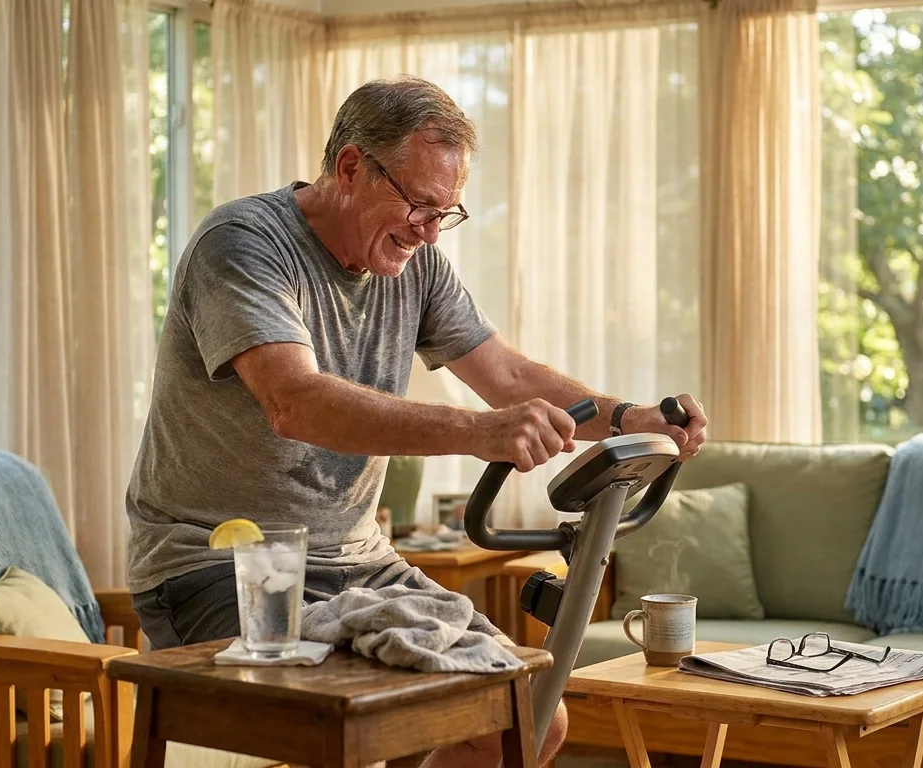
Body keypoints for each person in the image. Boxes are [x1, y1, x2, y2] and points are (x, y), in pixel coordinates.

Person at [125, 75, 709, 768]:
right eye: (420, 205)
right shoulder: (244, 244)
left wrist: (627, 417)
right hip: (225, 561)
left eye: (447, 213)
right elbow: (295, 401)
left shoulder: (416, 263)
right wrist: (478, 433)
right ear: (350, 168)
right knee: (359, 718)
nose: (430, 231)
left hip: (358, 559)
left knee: (531, 717)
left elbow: (509, 378)